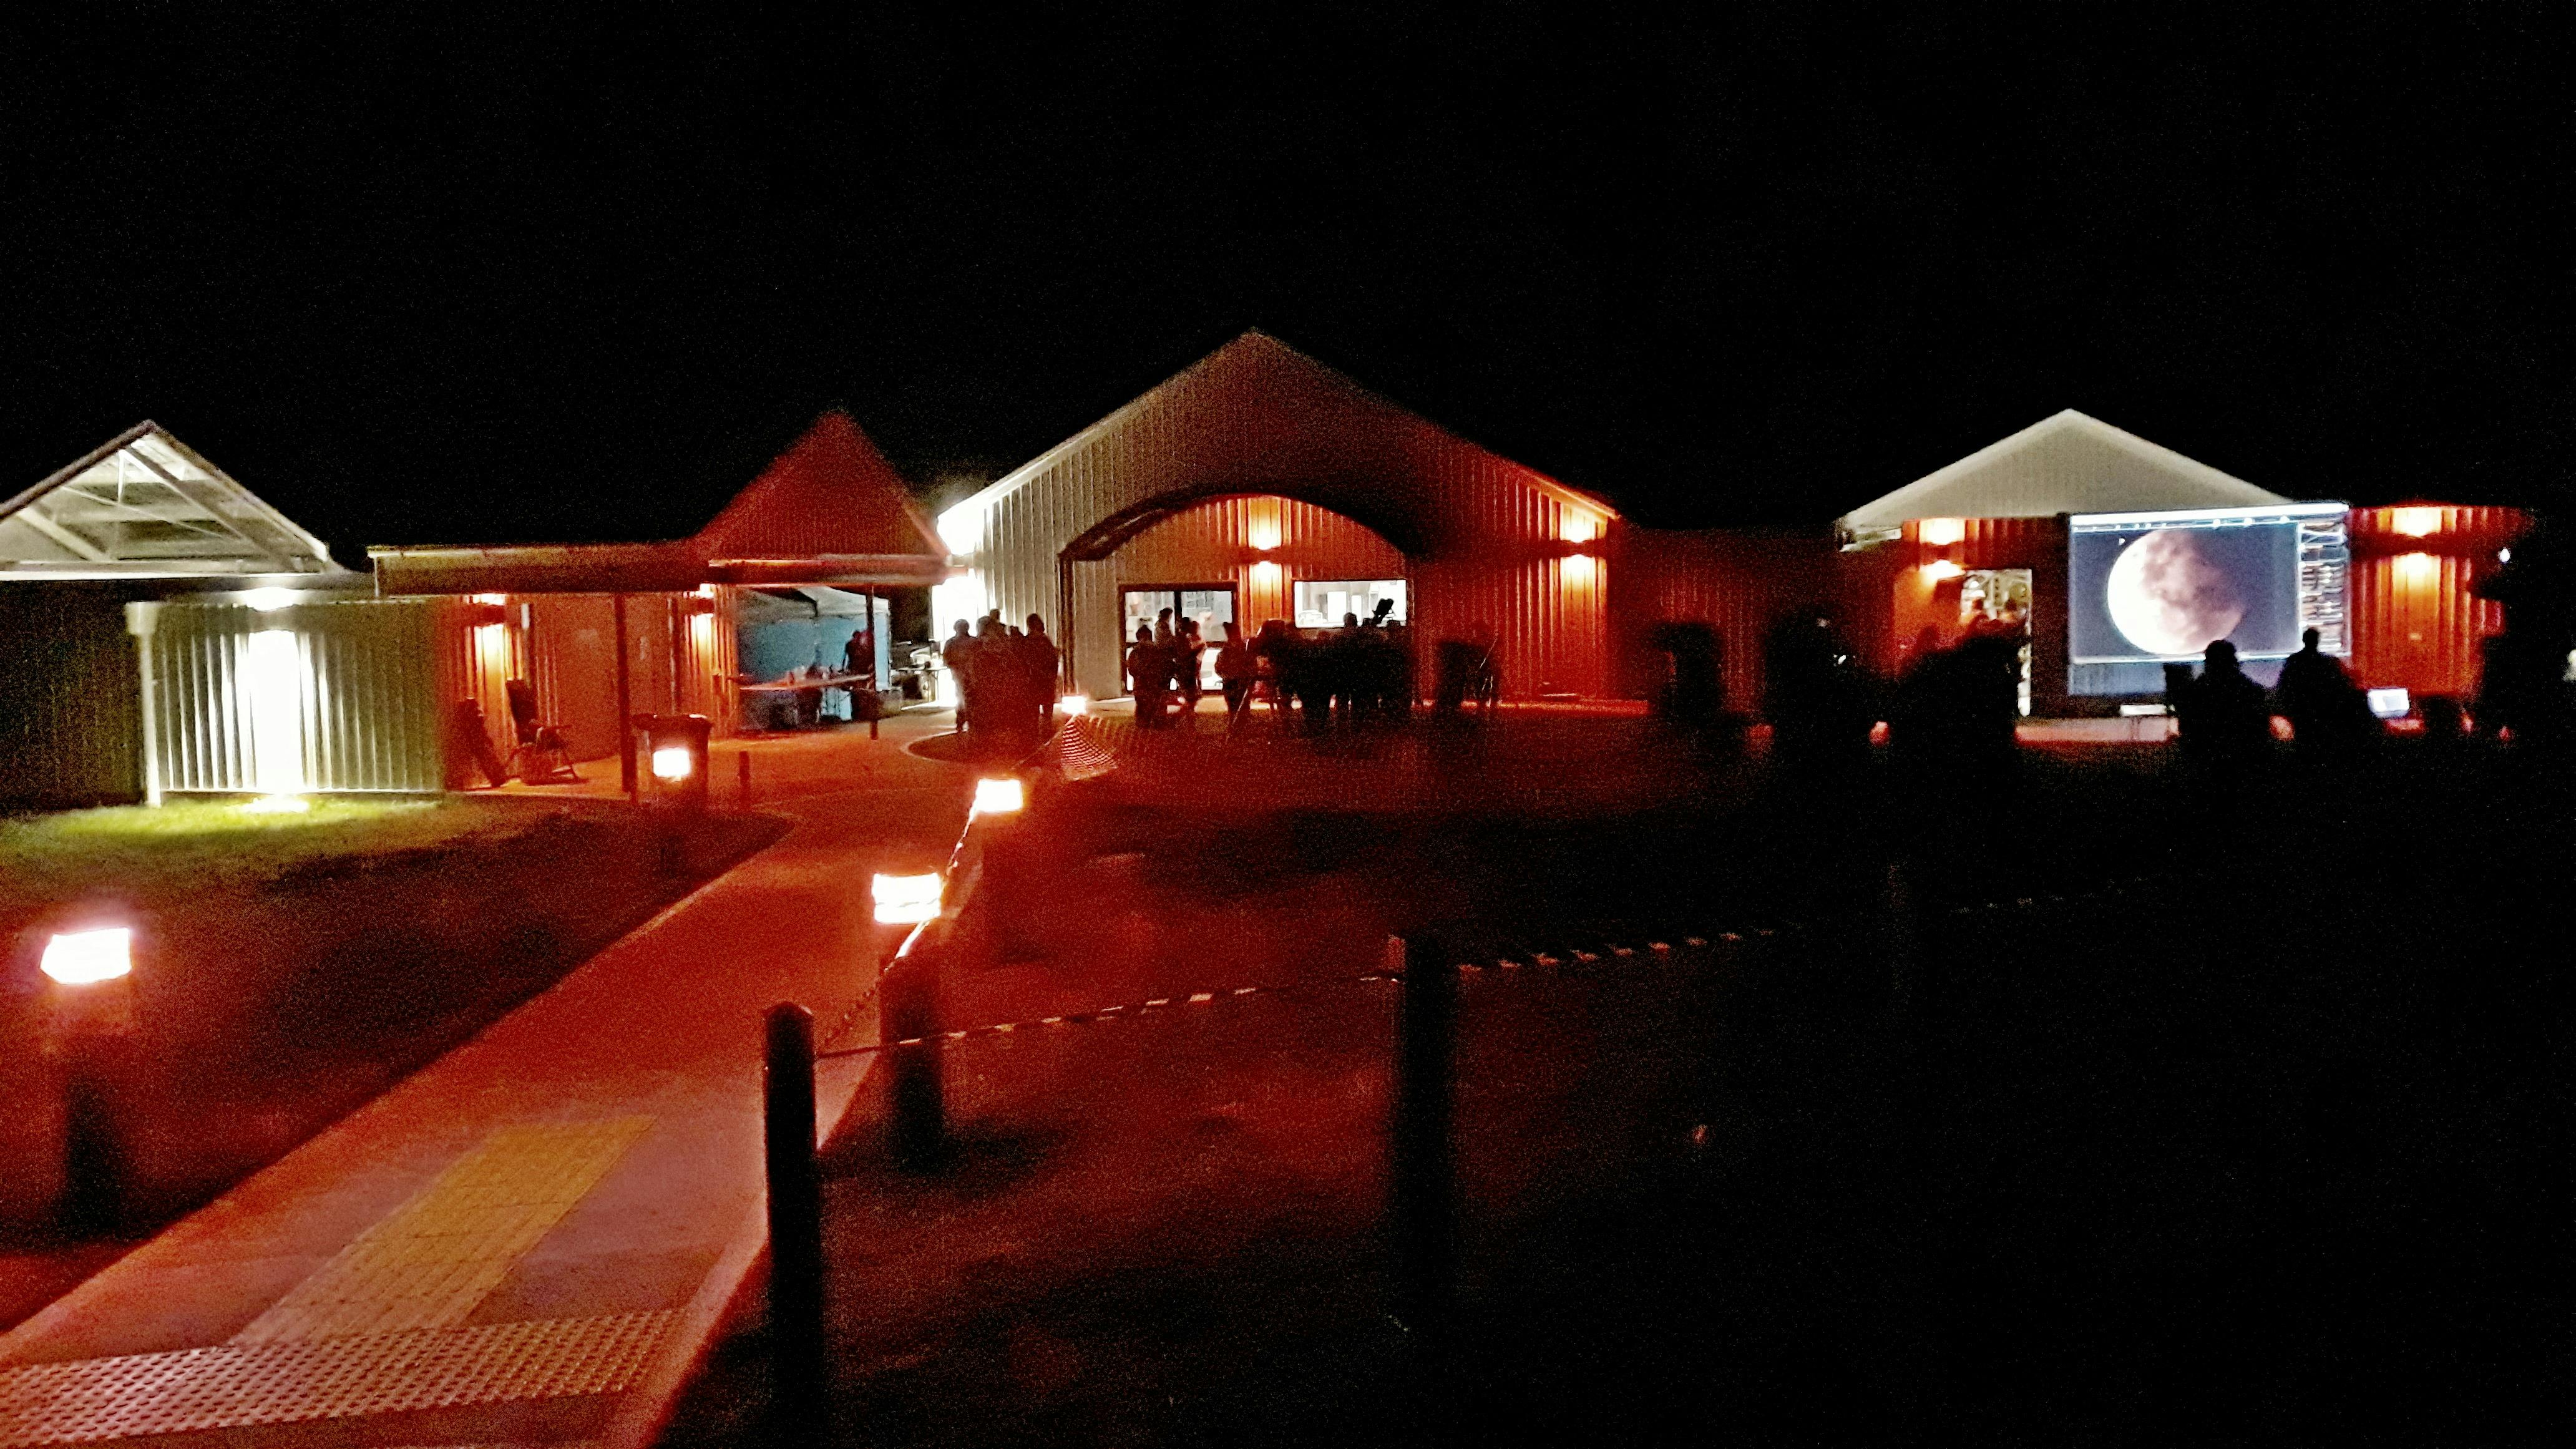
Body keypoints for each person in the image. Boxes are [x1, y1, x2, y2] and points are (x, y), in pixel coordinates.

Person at [2273, 627, 2369, 757]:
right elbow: (2341, 686)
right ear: (2318, 641)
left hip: (2300, 713)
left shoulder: (2294, 661)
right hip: (2324, 713)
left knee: (2303, 747)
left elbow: (2284, 687)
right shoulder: (2328, 662)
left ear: (2304, 640)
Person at [1128, 624, 1170, 728]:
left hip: (1142, 684)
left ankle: (1144, 723)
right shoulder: (1158, 651)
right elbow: (1164, 667)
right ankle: (1158, 722)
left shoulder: (1136, 652)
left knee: (1143, 709)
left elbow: (1132, 669)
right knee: (1158, 708)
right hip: (1156, 685)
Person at [1022, 616, 1060, 730]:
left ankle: (1035, 734)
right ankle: (1047, 732)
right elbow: (1053, 661)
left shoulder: (1027, 641)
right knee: (1047, 710)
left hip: (1034, 680)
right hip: (1046, 680)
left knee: (1034, 710)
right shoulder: (1045, 641)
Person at [1214, 620, 1256, 723]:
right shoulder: (1244, 647)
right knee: (1240, 707)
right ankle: (1239, 727)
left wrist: (1225, 674)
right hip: (1239, 681)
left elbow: (1219, 667)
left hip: (1233, 681)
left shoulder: (1229, 649)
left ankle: (1235, 727)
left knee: (1235, 707)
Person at [942, 620, 977, 733]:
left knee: (961, 699)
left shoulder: (952, 643)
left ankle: (961, 722)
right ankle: (970, 721)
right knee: (970, 699)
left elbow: (947, 660)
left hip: (959, 676)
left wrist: (956, 667)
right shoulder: (974, 642)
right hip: (971, 676)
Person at [1175, 617, 1206, 716]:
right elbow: (1186, 655)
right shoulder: (1183, 640)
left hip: (1186, 669)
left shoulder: (1183, 638)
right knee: (1190, 692)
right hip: (1187, 669)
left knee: (1189, 692)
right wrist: (1197, 650)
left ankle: (1188, 712)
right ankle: (1187, 712)